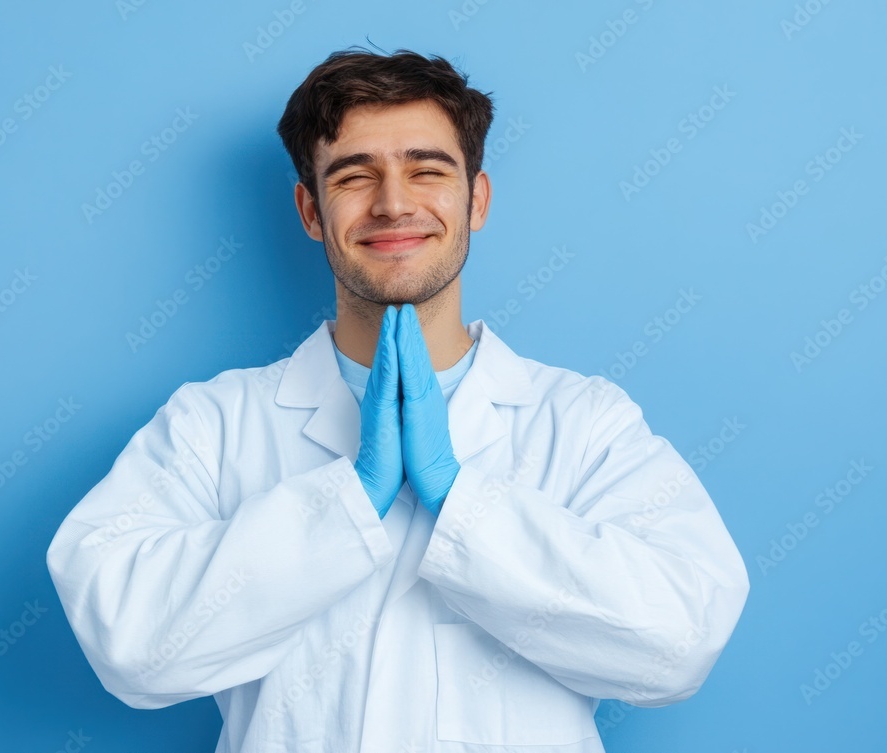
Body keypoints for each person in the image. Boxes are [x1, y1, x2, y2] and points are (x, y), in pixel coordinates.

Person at [47, 47, 750, 752]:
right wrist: (348, 501)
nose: (393, 202)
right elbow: (128, 644)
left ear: (476, 199)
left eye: (427, 170)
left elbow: (680, 642)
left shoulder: (584, 423)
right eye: (354, 175)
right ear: (310, 210)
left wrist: (461, 501)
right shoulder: (215, 425)